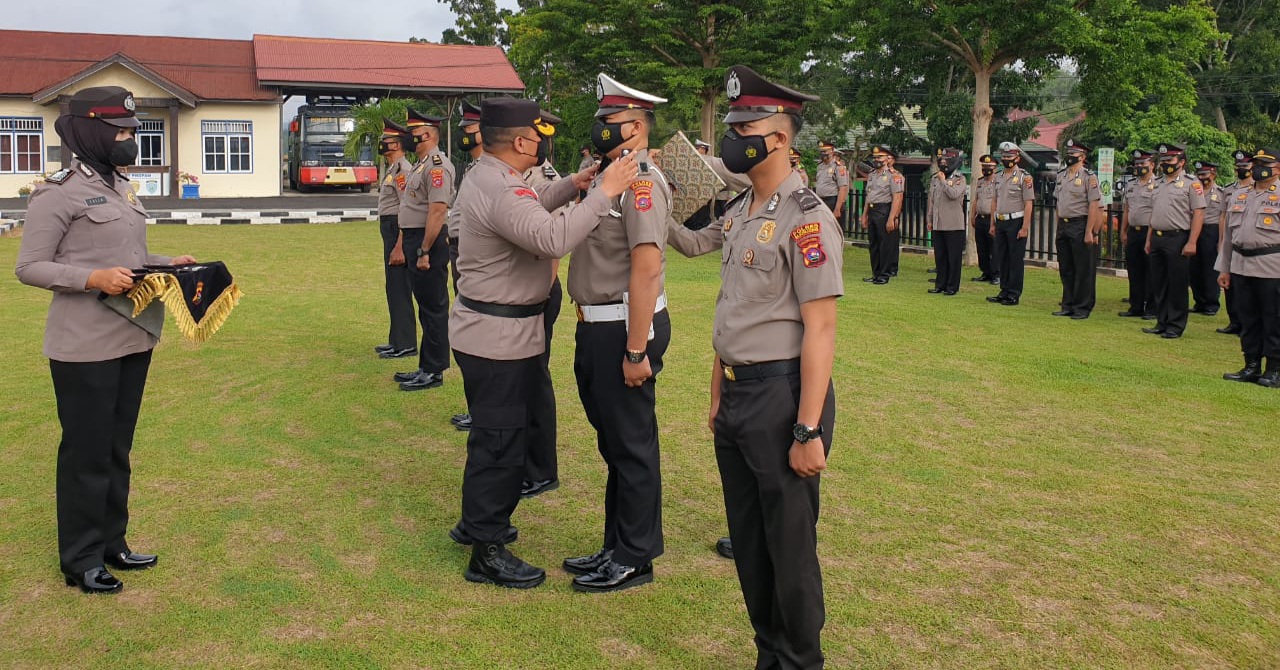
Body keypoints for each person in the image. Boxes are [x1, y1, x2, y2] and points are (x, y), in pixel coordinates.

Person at [667, 64, 841, 670]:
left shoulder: (808, 215)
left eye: (748, 123)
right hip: (740, 394)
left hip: (783, 397)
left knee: (789, 549)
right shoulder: (743, 206)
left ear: (782, 136)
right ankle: (769, 653)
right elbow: (728, 301)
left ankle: (800, 660)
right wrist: (718, 390)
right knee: (749, 542)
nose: (737, 132)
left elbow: (820, 328)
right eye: (734, 122)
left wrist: (807, 428)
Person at [14, 86, 197, 594]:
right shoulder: (58, 192)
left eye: (131, 131)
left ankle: (113, 541)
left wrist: (166, 263)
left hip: (132, 334)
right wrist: (92, 278)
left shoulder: (120, 187)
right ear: (92, 131)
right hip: (84, 345)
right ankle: (80, 558)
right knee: (86, 452)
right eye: (120, 130)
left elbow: (129, 253)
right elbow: (29, 267)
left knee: (117, 448)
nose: (129, 139)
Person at [449, 97, 638, 588]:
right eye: (537, 137)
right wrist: (601, 195)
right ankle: (485, 549)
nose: (540, 143)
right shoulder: (501, 187)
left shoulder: (492, 176)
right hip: (498, 339)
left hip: (496, 333)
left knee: (497, 435)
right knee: (500, 442)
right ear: (519, 141)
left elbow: (527, 210)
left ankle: (479, 523)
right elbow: (551, 239)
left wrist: (571, 187)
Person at [560, 74, 672, 594]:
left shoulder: (642, 181)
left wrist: (635, 347)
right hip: (596, 327)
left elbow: (646, 268)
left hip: (625, 330)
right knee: (615, 446)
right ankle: (615, 545)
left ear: (634, 127)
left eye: (609, 123)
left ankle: (635, 556)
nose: (600, 131)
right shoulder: (612, 176)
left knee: (631, 446)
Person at [393, 108, 454, 390]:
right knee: (425, 307)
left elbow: (438, 211)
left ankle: (434, 370)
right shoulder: (420, 165)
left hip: (427, 242)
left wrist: (425, 250)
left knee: (434, 308)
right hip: (416, 241)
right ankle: (426, 365)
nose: (409, 138)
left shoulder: (437, 165)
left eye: (414, 134)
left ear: (428, 135)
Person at [1218, 147, 1280, 387]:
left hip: (1272, 267)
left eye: (1264, 164)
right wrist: (1224, 268)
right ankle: (1251, 365)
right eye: (1255, 164)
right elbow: (1229, 238)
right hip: (1241, 265)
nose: (1258, 169)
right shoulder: (1240, 195)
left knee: (1273, 319)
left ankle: (1274, 369)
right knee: (1248, 319)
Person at [1142, 143, 1205, 339]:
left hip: (1178, 237)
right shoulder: (1158, 183)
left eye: (1170, 160)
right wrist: (1148, 239)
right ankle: (1162, 321)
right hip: (1158, 237)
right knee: (1159, 282)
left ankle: (1175, 325)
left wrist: (1192, 241)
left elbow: (1198, 213)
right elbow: (1154, 213)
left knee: (1177, 284)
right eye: (1163, 161)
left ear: (1182, 162)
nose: (1166, 164)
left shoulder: (1191, 184)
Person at [447, 102, 483, 433]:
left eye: (469, 130)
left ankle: (481, 410)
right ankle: (477, 408)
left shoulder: (489, 171)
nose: (464, 136)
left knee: (479, 339)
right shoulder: (473, 169)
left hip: (475, 259)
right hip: (461, 254)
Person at [373, 119, 417, 360]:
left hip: (397, 230)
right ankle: (396, 340)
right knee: (393, 287)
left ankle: (406, 344)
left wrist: (399, 245)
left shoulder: (403, 171)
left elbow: (405, 209)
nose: (382, 143)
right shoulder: (392, 169)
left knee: (400, 288)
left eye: (386, 140)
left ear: (398, 144)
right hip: (389, 229)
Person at [1051, 139, 1104, 319]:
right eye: (1069, 152)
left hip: (1080, 224)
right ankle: (1068, 304)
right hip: (1064, 225)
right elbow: (1059, 202)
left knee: (1083, 268)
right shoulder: (1061, 175)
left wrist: (1090, 231)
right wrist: (1058, 225)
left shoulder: (1089, 177)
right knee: (1066, 267)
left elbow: (1094, 204)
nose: (1070, 156)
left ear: (1082, 156)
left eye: (1073, 153)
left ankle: (1083, 307)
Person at [987, 142, 1035, 306]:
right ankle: (1004, 290)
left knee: (1015, 260)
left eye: (1010, 156)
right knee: (1002, 258)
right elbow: (994, 201)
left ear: (1017, 158)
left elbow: (1028, 203)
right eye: (1004, 156)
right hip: (1000, 221)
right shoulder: (998, 176)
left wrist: (1025, 227)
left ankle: (1014, 293)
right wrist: (992, 223)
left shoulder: (1024, 177)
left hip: (1016, 222)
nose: (1006, 159)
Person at [1218, 150, 1255, 335]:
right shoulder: (1229, 189)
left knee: (1245, 286)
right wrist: (1221, 241)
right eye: (1238, 167)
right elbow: (1224, 217)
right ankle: (1234, 321)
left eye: (1245, 167)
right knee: (1228, 283)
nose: (1241, 169)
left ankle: (1245, 323)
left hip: (1249, 244)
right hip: (1231, 241)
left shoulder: (1256, 189)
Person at [1119, 149, 1157, 318]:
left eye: (1143, 164)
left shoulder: (1158, 185)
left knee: (1151, 271)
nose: (1140, 166)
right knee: (1134, 271)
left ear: (1152, 165)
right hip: (1133, 232)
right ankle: (1135, 306)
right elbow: (1127, 209)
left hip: (1149, 232)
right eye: (1137, 164)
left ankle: (1151, 308)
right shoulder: (1132, 184)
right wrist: (1123, 231)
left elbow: (1157, 211)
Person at [860, 145, 904, 284]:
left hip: (884, 210)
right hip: (872, 210)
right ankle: (876, 273)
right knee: (874, 244)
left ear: (887, 159)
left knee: (885, 244)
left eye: (879, 157)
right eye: (875, 157)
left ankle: (884, 275)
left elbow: (897, 198)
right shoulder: (872, 174)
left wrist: (892, 218)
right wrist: (864, 214)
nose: (876, 159)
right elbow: (869, 195)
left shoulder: (894, 176)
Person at [927, 148, 967, 295]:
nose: (943, 163)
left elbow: (954, 194)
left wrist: (944, 181)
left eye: (946, 160)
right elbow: (932, 201)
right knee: (940, 257)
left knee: (953, 258)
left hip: (953, 225)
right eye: (941, 160)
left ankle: (952, 286)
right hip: (938, 224)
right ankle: (940, 284)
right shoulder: (934, 178)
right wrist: (930, 219)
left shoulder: (960, 179)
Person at [1191, 160, 1224, 316]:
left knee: (1210, 269)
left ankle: (1211, 303)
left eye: (1204, 174)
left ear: (1213, 174)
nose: (1202, 177)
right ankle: (1199, 301)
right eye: (1199, 174)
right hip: (1195, 230)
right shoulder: (1194, 191)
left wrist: (1220, 241)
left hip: (1211, 231)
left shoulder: (1221, 193)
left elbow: (1222, 218)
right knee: (1194, 268)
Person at [970, 154, 1001, 284]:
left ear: (995, 167)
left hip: (992, 219)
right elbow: (976, 200)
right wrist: (972, 216)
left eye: (989, 166)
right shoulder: (980, 181)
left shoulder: (999, 181)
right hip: (980, 219)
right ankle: (985, 272)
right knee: (981, 248)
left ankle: (996, 275)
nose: (986, 168)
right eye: (984, 166)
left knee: (994, 248)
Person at [813, 141, 849, 221]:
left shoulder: (838, 167)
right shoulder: (819, 166)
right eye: (821, 151)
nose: (822, 154)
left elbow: (843, 188)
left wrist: (837, 208)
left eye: (824, 151)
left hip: (833, 201)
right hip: (820, 202)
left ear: (832, 151)